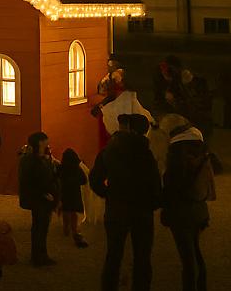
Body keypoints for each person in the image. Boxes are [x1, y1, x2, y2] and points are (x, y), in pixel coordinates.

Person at [90, 113, 162, 291]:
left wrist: (108, 194)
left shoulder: (110, 150)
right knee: (142, 257)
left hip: (117, 207)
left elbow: (95, 178)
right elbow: (155, 183)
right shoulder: (146, 153)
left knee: (113, 255)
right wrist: (153, 203)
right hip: (142, 209)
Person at [161, 118, 215, 291]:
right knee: (196, 252)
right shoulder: (203, 156)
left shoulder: (177, 159)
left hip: (180, 214)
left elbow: (171, 189)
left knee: (188, 259)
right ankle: (201, 286)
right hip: (199, 210)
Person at [18, 130, 59, 266]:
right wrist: (43, 193)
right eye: (45, 142)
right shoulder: (30, 160)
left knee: (41, 227)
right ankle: (38, 256)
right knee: (39, 227)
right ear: (40, 143)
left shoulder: (41, 158)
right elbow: (30, 181)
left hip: (44, 198)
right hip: (39, 199)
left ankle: (41, 254)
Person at [57, 147, 89, 248]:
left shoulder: (61, 168)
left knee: (66, 211)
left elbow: (57, 178)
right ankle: (74, 230)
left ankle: (66, 229)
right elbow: (84, 180)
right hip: (75, 193)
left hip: (65, 193)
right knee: (74, 212)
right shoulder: (77, 169)